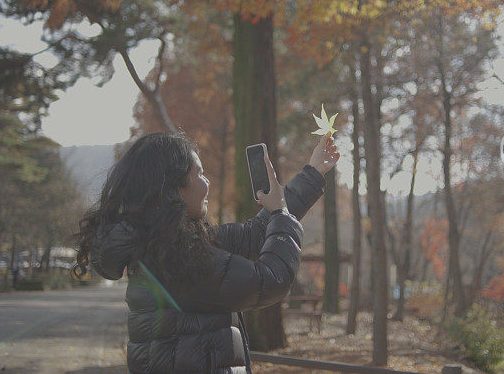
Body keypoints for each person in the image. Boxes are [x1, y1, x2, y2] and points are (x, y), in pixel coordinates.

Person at [72, 132, 340, 373]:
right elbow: (268, 281)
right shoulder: (176, 258)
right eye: (199, 174)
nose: (207, 182)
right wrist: (281, 214)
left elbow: (253, 235)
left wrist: (313, 174)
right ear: (176, 187)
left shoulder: (165, 243)